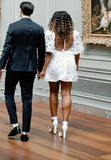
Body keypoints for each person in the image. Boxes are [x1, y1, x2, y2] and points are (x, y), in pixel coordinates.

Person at [0, 1, 45, 142]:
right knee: (27, 99)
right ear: (31, 12)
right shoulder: (39, 29)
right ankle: (24, 132)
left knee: (8, 93)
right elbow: (42, 52)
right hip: (30, 69)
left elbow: (7, 48)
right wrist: (40, 69)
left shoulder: (13, 27)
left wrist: (0, 67)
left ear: (20, 11)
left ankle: (15, 124)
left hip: (13, 67)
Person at [39, 11, 84, 139]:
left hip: (54, 63)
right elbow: (77, 53)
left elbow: (49, 53)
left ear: (54, 21)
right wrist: (76, 66)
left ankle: (54, 122)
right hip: (68, 62)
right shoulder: (74, 34)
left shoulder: (50, 34)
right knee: (66, 93)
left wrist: (43, 69)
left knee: (53, 92)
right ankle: (65, 125)